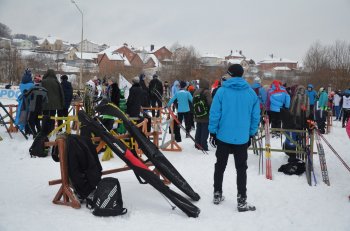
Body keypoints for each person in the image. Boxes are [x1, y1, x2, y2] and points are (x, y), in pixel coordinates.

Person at [209, 64, 260, 212]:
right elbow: (255, 117)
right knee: (241, 168)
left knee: (220, 165)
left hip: (223, 136)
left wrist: (212, 132)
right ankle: (242, 199)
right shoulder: (251, 93)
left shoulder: (221, 91)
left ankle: (217, 193)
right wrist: (251, 133)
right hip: (242, 138)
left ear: (230, 74)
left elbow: (215, 113)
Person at [41, 69, 65, 134]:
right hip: (55, 103)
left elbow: (40, 92)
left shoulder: (43, 81)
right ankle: (52, 129)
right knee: (52, 116)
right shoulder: (57, 82)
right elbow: (61, 93)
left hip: (45, 102)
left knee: (45, 116)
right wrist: (62, 103)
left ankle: (45, 129)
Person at [193, 78, 212, 151]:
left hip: (198, 114)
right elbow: (210, 103)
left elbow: (193, 102)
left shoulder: (196, 91)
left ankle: (197, 144)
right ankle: (204, 145)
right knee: (205, 130)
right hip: (205, 115)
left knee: (199, 129)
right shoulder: (207, 92)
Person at [14, 69, 35, 134]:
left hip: (23, 101)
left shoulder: (21, 84)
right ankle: (30, 130)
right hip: (30, 101)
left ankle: (24, 128)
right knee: (29, 115)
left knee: (23, 114)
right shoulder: (31, 84)